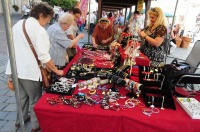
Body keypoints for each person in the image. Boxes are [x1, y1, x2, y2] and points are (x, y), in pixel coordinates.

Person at [5, 3, 63, 131]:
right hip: (30, 71)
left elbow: (10, 49)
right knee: (35, 99)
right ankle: (36, 126)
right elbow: (44, 56)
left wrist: (10, 72)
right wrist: (56, 70)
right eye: (47, 19)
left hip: (16, 69)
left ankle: (19, 121)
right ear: (41, 15)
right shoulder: (39, 30)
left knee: (22, 98)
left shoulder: (17, 24)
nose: (47, 22)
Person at [47, 13, 84, 82]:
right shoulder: (58, 30)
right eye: (68, 26)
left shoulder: (52, 26)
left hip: (52, 58)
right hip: (56, 61)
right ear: (63, 23)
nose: (67, 28)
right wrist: (78, 37)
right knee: (55, 81)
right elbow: (69, 44)